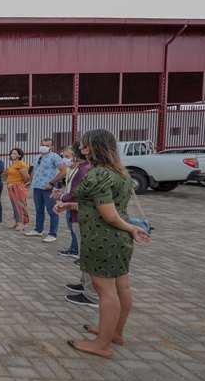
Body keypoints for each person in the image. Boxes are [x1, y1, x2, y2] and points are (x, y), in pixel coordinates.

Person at [55, 129, 151, 359]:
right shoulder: (121, 173)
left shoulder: (97, 175)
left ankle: (102, 344)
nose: (82, 150)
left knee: (105, 291)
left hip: (103, 238)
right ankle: (114, 333)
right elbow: (101, 206)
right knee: (122, 287)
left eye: (86, 146)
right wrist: (70, 206)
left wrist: (131, 228)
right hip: (118, 239)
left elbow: (108, 215)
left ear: (96, 148)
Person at [56, 142, 96, 307]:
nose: (66, 158)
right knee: (84, 255)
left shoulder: (87, 170)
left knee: (88, 256)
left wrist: (63, 198)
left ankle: (92, 294)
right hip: (78, 214)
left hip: (84, 217)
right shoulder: (84, 168)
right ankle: (85, 285)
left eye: (69, 154)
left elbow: (77, 195)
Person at [25, 137, 67, 242]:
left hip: (48, 188)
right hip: (37, 187)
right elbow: (35, 170)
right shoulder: (37, 157)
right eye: (43, 145)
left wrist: (52, 183)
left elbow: (63, 171)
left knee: (52, 210)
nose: (44, 147)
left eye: (47, 145)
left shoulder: (55, 157)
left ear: (52, 147)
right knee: (39, 210)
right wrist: (31, 181)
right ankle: (38, 230)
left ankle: (53, 234)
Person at [53, 144, 81, 260]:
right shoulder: (69, 169)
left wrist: (62, 196)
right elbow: (69, 185)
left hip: (76, 203)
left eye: (67, 156)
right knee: (72, 227)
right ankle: (74, 248)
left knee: (77, 228)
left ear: (76, 156)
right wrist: (63, 192)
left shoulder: (81, 170)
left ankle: (78, 251)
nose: (64, 159)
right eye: (63, 156)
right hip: (68, 201)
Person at [5, 148, 30, 231]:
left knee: (21, 205)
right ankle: (17, 221)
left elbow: (26, 177)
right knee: (14, 205)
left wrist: (22, 186)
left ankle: (22, 223)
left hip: (18, 188)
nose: (13, 155)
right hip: (11, 188)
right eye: (12, 153)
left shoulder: (21, 164)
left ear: (19, 155)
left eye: (15, 153)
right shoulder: (13, 164)